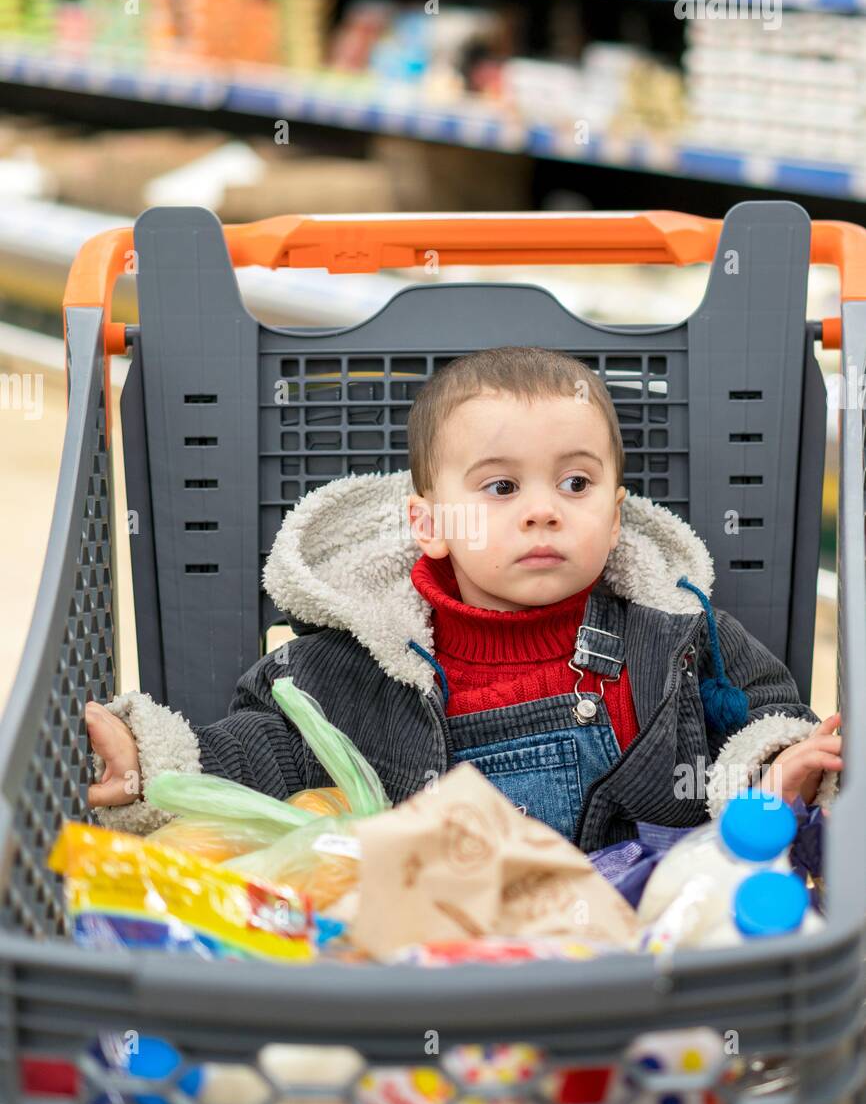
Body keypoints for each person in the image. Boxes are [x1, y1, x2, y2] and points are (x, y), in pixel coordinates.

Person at [85, 346, 842, 850]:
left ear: (615, 520)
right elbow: (269, 752)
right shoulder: (361, 665)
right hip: (433, 961)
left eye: (575, 483)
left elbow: (765, 706)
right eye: (501, 487)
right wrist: (151, 764)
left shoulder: (668, 633)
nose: (543, 509)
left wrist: (771, 772)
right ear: (430, 524)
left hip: (635, 952)